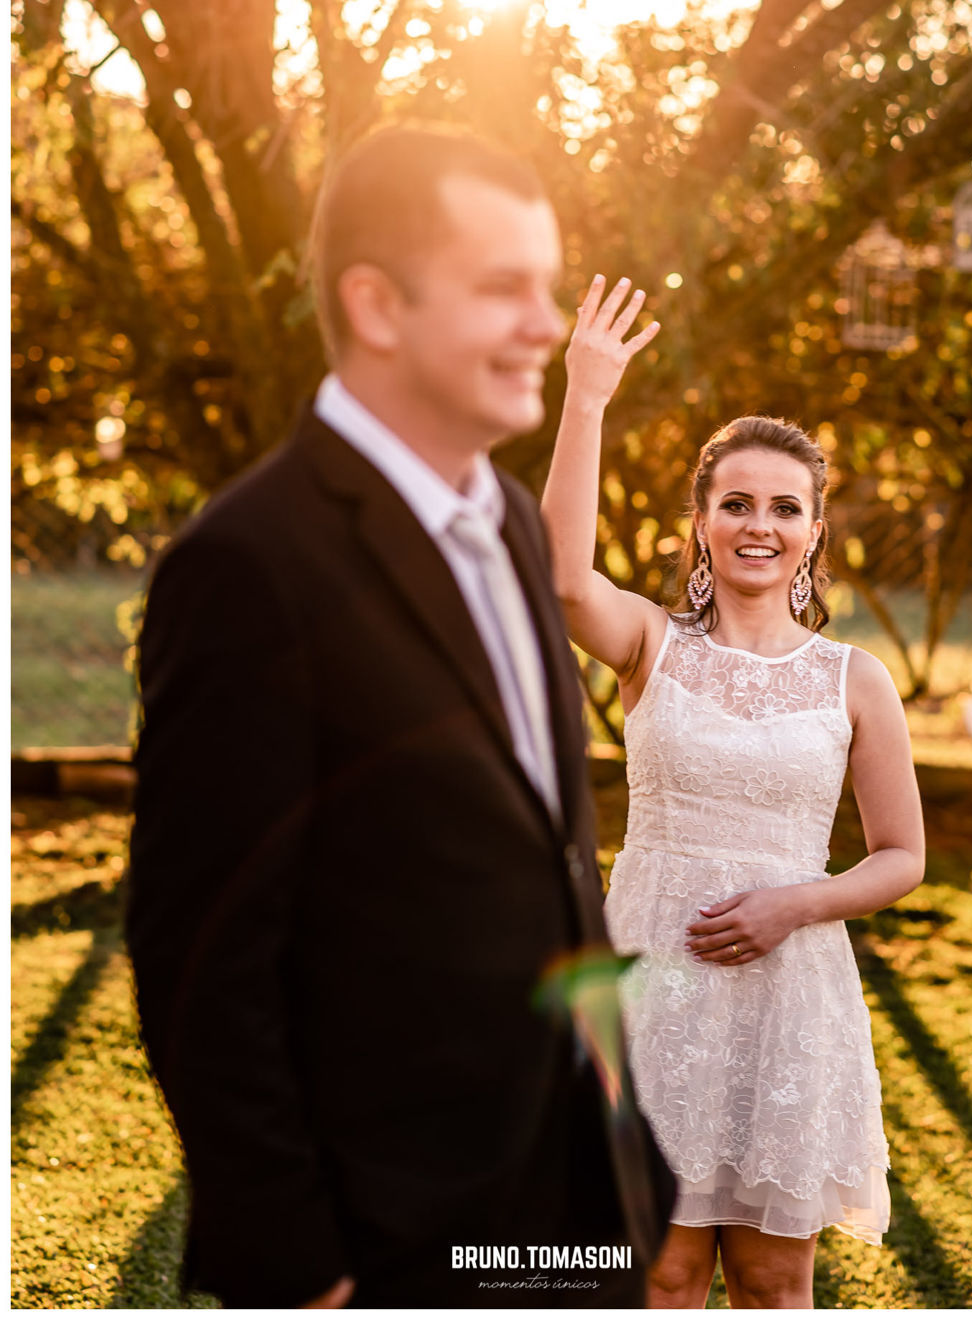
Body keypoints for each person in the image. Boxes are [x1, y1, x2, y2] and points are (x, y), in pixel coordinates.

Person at [126, 129, 675, 1310]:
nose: (547, 324)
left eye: (547, 283)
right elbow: (200, 957)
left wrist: (626, 1171)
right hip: (389, 1249)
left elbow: (551, 864)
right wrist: (301, 1271)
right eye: (503, 287)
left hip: (571, 1223)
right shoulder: (249, 565)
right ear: (374, 305)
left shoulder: (514, 523)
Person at [541, 274, 925, 1309]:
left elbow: (902, 855)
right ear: (702, 523)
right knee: (658, 1273)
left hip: (788, 991)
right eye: (736, 503)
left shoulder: (854, 679)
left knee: (770, 1279)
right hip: (655, 976)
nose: (760, 524)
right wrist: (586, 395)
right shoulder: (650, 643)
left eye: (784, 507)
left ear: (813, 532)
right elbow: (563, 580)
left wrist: (793, 903)